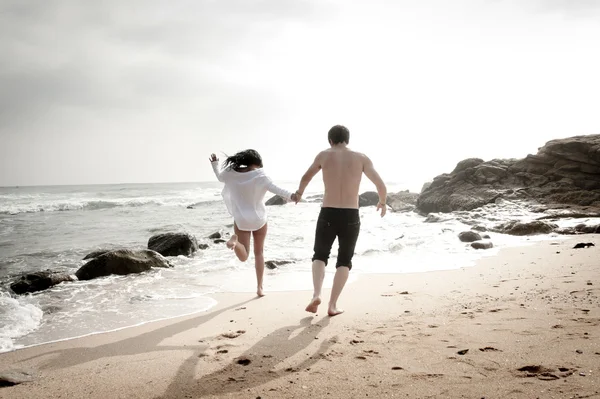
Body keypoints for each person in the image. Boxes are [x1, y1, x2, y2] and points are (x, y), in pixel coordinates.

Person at [294, 125, 387, 316]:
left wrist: (298, 194)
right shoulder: (361, 158)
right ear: (348, 139)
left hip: (328, 211)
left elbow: (306, 177)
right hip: (351, 214)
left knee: (320, 255)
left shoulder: (323, 155)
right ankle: (332, 305)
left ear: (330, 140)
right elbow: (380, 183)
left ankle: (316, 294)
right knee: (344, 260)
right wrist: (382, 202)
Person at [210, 149, 298, 297]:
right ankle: (259, 288)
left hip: (241, 219)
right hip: (259, 219)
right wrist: (293, 196)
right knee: (259, 253)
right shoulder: (261, 176)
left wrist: (215, 163)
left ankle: (235, 243)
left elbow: (219, 177)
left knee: (244, 256)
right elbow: (277, 189)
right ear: (256, 163)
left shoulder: (230, 173)